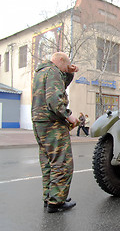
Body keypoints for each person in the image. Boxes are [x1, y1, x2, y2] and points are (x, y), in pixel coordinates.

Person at [31, 52, 79, 213]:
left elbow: (61, 85)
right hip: (52, 122)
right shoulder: (53, 72)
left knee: (48, 163)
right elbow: (54, 99)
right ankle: (57, 202)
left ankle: (50, 197)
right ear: (60, 61)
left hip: (39, 121)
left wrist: (70, 72)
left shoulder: (41, 72)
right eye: (66, 65)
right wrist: (69, 116)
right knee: (62, 162)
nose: (66, 69)